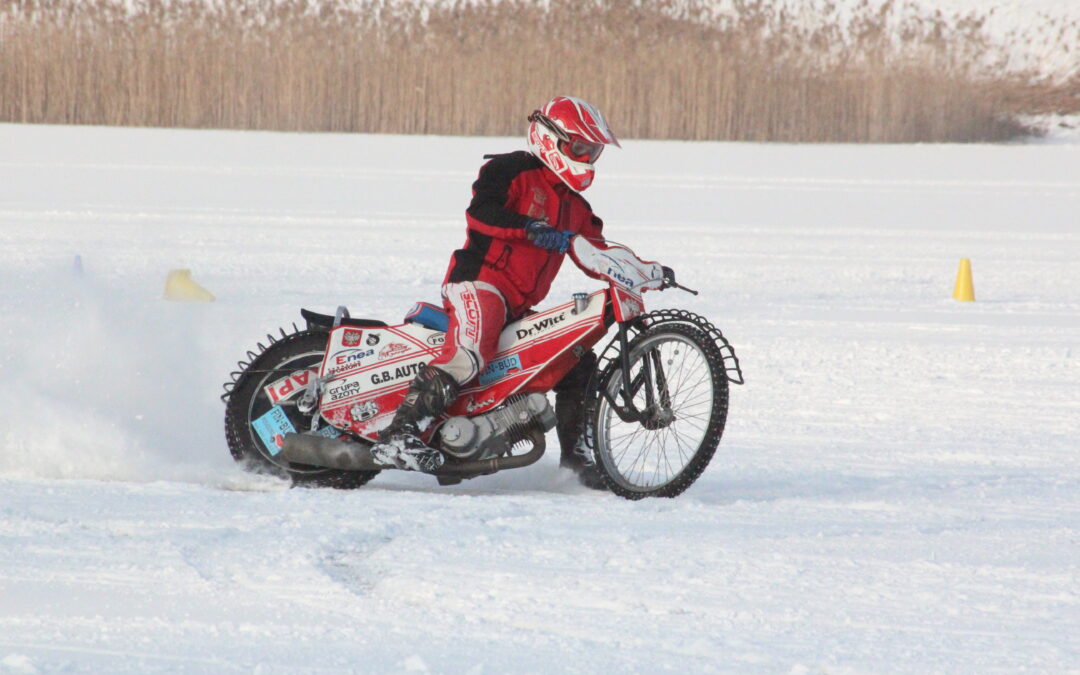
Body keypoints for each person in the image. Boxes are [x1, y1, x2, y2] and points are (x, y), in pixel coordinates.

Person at [370, 96, 619, 488]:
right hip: (480, 283)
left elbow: (597, 252)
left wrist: (641, 269)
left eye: (595, 150)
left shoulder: (577, 206)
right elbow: (481, 212)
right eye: (581, 148)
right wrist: (530, 227)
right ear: (552, 139)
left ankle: (579, 463)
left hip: (519, 304)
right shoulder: (510, 169)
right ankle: (399, 436)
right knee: (473, 351)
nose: (588, 158)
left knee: (577, 362)